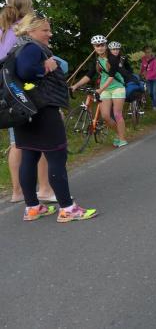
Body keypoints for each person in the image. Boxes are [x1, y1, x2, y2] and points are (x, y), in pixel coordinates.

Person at [12, 12, 97, 222]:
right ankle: (67, 208)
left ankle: (33, 208)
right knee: (57, 157)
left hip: (25, 111)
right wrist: (44, 67)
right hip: (43, 112)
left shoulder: (17, 48)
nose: (49, 34)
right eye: (45, 30)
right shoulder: (32, 48)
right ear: (31, 30)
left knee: (29, 156)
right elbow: (27, 71)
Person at [0, 0, 54, 203]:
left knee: (17, 142)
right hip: (28, 89)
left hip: (6, 90)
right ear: (27, 7)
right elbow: (32, 59)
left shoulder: (3, 28)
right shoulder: (25, 27)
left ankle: (17, 192)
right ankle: (45, 188)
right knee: (42, 139)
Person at [70, 35, 129, 147]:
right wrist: (75, 85)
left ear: (106, 46)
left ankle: (122, 139)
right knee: (106, 116)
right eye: (97, 46)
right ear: (94, 47)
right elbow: (89, 76)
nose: (100, 47)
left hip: (117, 88)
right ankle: (119, 133)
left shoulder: (113, 58)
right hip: (104, 89)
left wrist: (100, 90)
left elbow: (111, 77)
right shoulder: (97, 60)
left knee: (117, 114)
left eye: (102, 45)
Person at [139, 45, 156, 110]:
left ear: (151, 52)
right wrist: (140, 74)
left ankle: (154, 106)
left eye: (149, 52)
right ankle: (153, 101)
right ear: (144, 53)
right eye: (146, 52)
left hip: (155, 78)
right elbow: (143, 68)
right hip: (148, 79)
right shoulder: (143, 59)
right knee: (150, 92)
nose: (148, 54)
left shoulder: (154, 60)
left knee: (154, 92)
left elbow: (155, 71)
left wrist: (147, 77)